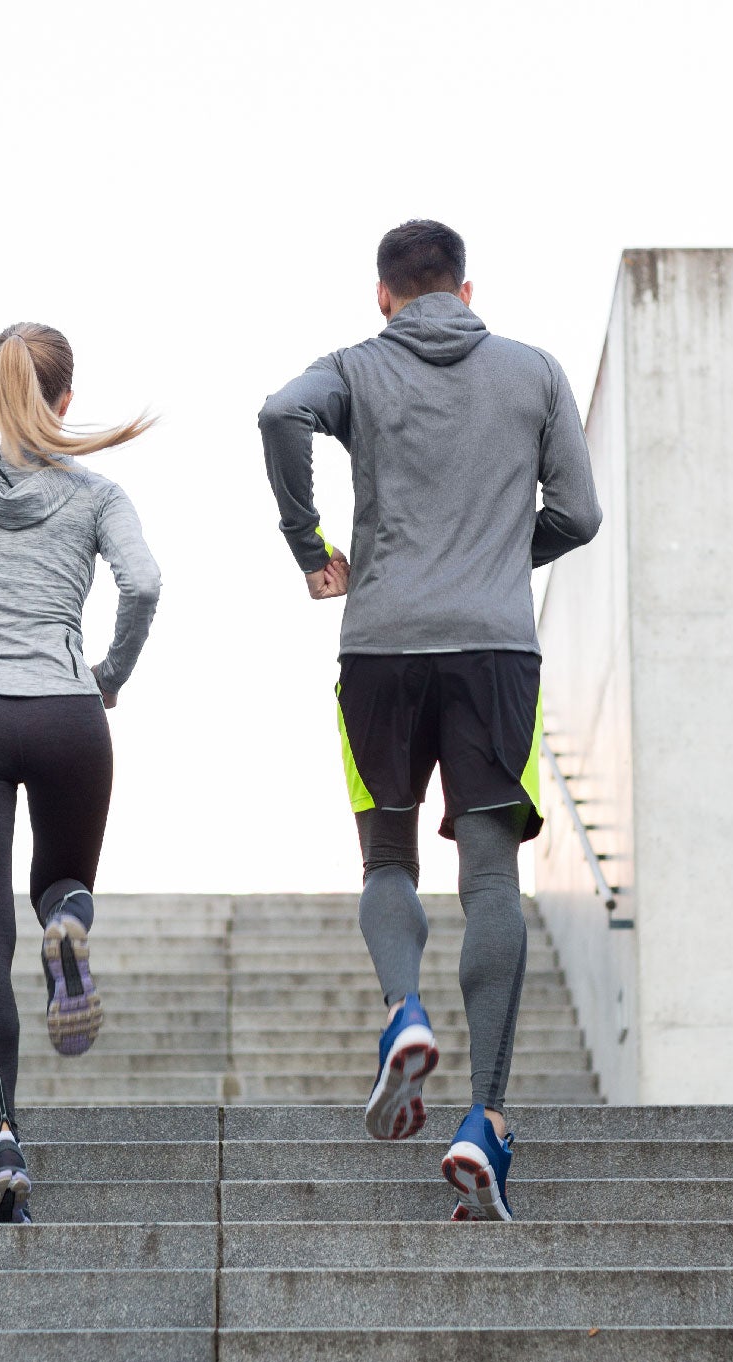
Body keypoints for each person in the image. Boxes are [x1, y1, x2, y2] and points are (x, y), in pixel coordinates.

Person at [257, 220, 601, 1220]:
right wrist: (496, 553)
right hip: (496, 649)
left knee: (386, 861)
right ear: (464, 285)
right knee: (490, 875)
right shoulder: (533, 372)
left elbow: (280, 413)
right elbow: (575, 514)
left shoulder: (355, 367)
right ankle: (480, 1118)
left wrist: (308, 544)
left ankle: (402, 1010)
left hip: (378, 647)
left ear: (382, 295)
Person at [0, 322, 160, 1224]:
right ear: (65, 400)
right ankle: (70, 923)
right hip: (68, 711)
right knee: (60, 880)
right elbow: (145, 584)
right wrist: (109, 674)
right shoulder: (97, 493)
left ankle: (2, 1140)